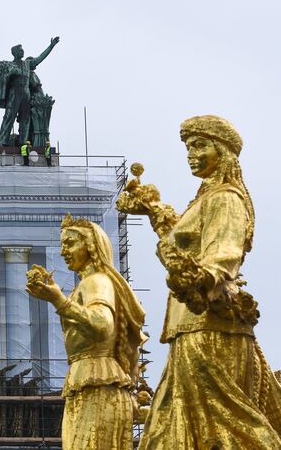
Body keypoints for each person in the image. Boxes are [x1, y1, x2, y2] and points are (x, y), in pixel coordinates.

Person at [117, 115, 281, 448]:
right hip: (190, 326)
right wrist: (153, 212)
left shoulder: (225, 198)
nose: (192, 154)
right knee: (172, 427)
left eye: (200, 145)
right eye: (189, 147)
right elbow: (183, 247)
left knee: (223, 427)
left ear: (224, 152)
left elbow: (225, 252)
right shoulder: (203, 200)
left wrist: (201, 280)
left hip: (211, 325)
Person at [26, 214, 145, 449]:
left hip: (97, 379)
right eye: (62, 245)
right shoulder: (87, 283)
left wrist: (59, 300)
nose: (63, 252)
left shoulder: (96, 281)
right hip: (90, 380)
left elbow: (102, 325)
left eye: (70, 243)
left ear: (90, 246)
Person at [0, 37, 59, 146]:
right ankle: (2, 141)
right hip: (14, 93)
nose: (23, 51)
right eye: (20, 50)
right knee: (9, 116)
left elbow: (40, 58)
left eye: (23, 50)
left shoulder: (27, 64)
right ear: (14, 53)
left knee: (25, 118)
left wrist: (51, 46)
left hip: (26, 93)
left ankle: (23, 142)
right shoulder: (9, 65)